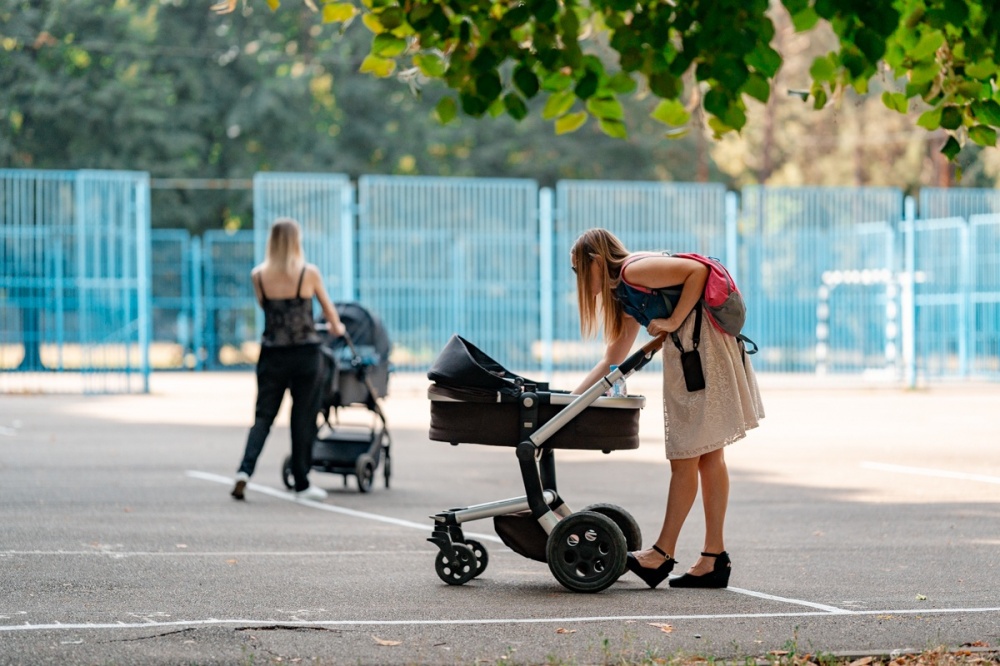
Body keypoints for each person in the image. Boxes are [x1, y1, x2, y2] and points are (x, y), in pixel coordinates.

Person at [571, 228, 764, 589]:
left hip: (700, 352)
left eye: (578, 269)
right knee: (708, 456)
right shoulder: (625, 291)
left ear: (596, 261)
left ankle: (661, 554)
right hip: (698, 353)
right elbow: (613, 360)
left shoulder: (632, 271)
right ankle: (713, 558)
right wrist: (571, 401)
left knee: (685, 457)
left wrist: (673, 321)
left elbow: (698, 272)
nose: (578, 279)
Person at [231, 217, 346, 502]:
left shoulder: (258, 276)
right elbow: (331, 316)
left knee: (263, 416)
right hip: (306, 356)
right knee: (302, 417)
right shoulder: (309, 273)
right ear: (296, 241)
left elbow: (268, 310)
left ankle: (244, 471)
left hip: (272, 355)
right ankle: (302, 482)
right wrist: (337, 328)